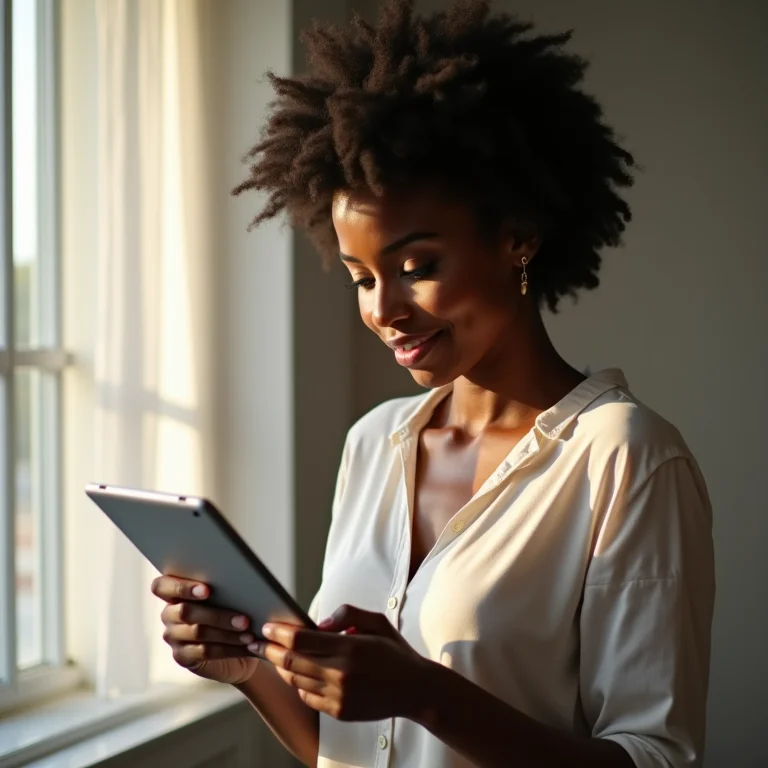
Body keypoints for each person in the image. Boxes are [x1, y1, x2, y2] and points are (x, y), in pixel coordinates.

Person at [151, 1, 715, 766]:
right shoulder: (375, 441)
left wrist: (427, 693)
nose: (384, 310)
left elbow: (655, 757)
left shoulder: (626, 458)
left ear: (517, 238)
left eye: (417, 267)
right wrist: (250, 669)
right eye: (360, 277)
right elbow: (353, 748)